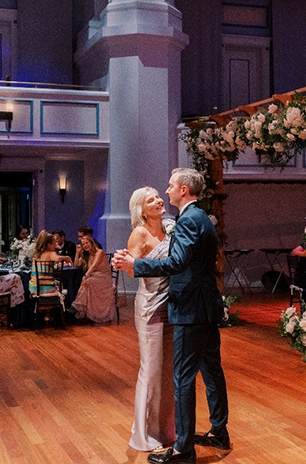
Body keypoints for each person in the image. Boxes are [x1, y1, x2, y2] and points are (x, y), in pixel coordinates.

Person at [113, 167, 230, 464]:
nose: (166, 192)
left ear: (184, 191)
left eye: (169, 187)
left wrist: (135, 266)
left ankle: (182, 449)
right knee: (211, 371)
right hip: (199, 305)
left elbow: (177, 261)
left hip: (191, 309)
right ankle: (218, 432)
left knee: (182, 378)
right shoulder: (193, 218)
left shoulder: (187, 220)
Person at [126, 186, 176, 452]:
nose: (158, 200)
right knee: (150, 370)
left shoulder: (171, 228)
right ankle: (143, 436)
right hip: (150, 306)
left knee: (167, 371)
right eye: (151, 200)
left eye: (158, 196)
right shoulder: (140, 233)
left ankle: (165, 431)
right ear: (141, 210)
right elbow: (133, 270)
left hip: (172, 306)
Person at [71, 235, 116, 323]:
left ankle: (76, 307)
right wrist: (77, 253)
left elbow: (94, 266)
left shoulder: (100, 252)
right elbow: (75, 265)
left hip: (104, 278)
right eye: (83, 244)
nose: (85, 245)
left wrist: (85, 276)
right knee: (87, 282)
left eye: (87, 243)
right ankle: (77, 308)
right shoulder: (86, 255)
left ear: (92, 243)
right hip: (93, 277)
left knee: (87, 281)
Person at [30, 230, 73, 312]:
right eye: (54, 243)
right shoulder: (50, 253)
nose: (56, 245)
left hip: (34, 287)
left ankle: (46, 313)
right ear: (49, 245)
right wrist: (66, 257)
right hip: (46, 287)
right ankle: (51, 310)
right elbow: (57, 258)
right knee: (60, 284)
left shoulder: (36, 254)